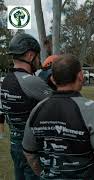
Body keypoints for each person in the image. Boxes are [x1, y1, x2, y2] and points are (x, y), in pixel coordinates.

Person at [22, 54, 94, 180]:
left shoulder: (37, 109)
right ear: (80, 76)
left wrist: (44, 174)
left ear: (53, 80)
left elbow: (29, 154)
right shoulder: (92, 109)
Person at [0, 33, 52, 180]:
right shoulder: (31, 81)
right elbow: (60, 103)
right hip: (32, 148)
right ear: (30, 56)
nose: (39, 61)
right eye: (37, 57)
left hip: (15, 144)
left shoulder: (5, 81)